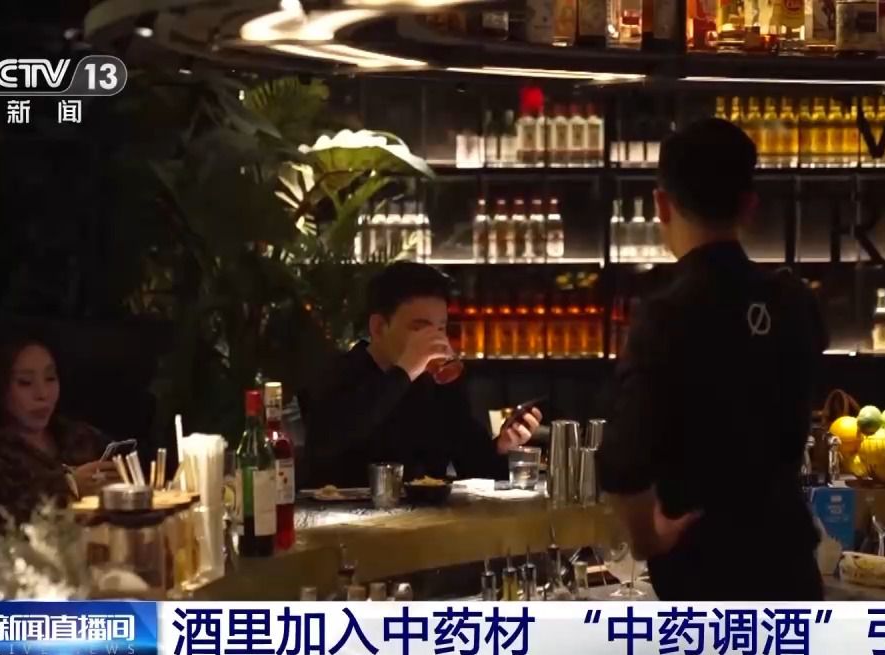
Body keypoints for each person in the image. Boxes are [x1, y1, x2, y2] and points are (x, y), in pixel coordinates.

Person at [596, 119, 829, 600]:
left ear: (662, 204)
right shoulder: (794, 301)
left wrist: (646, 540)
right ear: (749, 206)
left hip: (705, 574)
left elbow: (623, 464)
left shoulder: (664, 315)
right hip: (789, 566)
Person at [303, 262, 542, 487]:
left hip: (428, 516)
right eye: (419, 328)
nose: (433, 340)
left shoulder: (438, 384)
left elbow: (472, 467)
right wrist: (406, 369)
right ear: (379, 327)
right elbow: (327, 443)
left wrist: (502, 447)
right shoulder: (337, 373)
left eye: (440, 328)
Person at [0, 330, 117, 535]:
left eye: (50, 378)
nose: (42, 394)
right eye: (25, 382)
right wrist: (67, 487)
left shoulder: (77, 437)